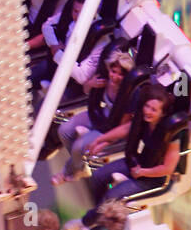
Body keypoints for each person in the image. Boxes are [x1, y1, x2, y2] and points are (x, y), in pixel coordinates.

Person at [88, 86, 181, 207]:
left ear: (162, 113)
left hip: (152, 179)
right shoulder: (144, 120)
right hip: (136, 162)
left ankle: (94, 218)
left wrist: (143, 172)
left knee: (111, 196)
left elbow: (168, 168)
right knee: (97, 177)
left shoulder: (172, 136)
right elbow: (127, 129)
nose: (147, 111)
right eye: (146, 106)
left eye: (153, 109)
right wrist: (100, 140)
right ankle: (98, 210)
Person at [52, 50, 135, 184]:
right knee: (64, 130)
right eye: (113, 72)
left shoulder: (128, 95)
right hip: (100, 114)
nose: (115, 77)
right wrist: (91, 84)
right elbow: (86, 91)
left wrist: (104, 142)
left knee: (78, 147)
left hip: (112, 128)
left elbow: (121, 128)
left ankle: (67, 172)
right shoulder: (104, 79)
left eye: (121, 74)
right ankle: (80, 167)